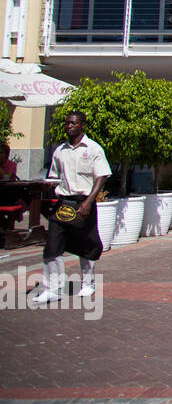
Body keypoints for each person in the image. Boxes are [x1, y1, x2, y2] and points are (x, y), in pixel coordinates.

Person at [32, 111, 110, 303]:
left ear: (82, 125)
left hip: (83, 202)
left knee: (87, 245)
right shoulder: (60, 151)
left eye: (73, 123)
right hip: (63, 203)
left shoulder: (93, 149)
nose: (69, 126)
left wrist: (88, 202)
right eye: (67, 123)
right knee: (53, 245)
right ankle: (53, 288)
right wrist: (47, 189)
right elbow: (55, 177)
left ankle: (88, 283)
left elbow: (101, 176)